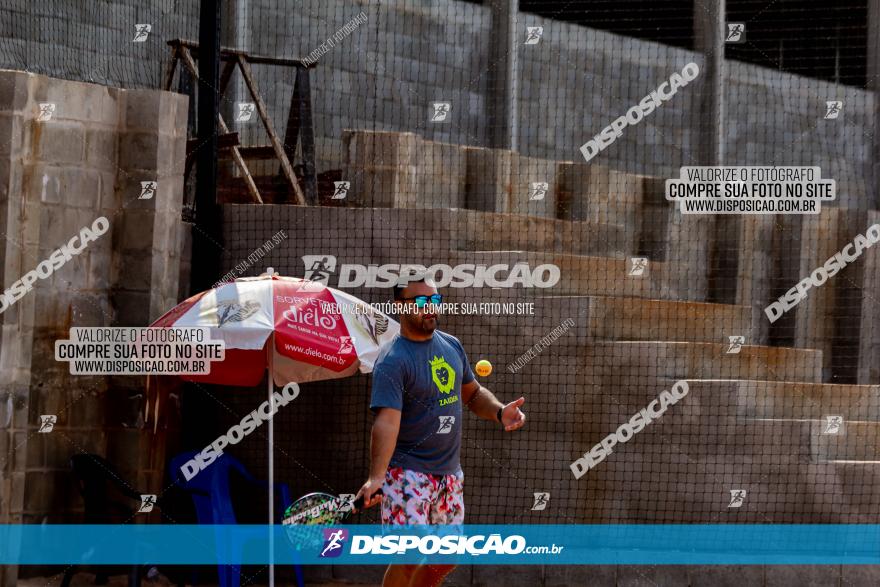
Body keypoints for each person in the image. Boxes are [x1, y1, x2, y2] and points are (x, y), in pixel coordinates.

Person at [355, 273, 527, 587]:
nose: (430, 307)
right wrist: (377, 476)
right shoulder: (393, 360)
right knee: (409, 559)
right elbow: (387, 421)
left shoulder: (451, 346)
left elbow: (473, 394)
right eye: (420, 301)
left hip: (449, 475)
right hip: (407, 476)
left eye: (435, 299)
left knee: (445, 558)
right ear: (400, 306)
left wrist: (500, 411)